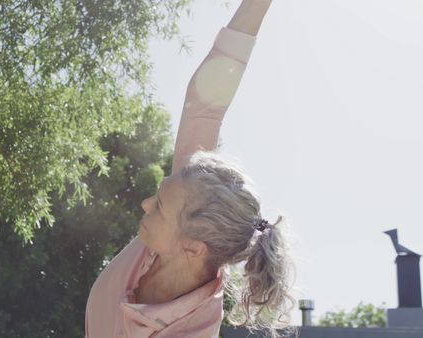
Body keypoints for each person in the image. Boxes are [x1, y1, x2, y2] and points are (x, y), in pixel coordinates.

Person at [85, 0, 294, 337]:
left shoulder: (191, 330)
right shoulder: (188, 201)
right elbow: (205, 104)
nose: (145, 205)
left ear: (193, 248)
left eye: (160, 207)